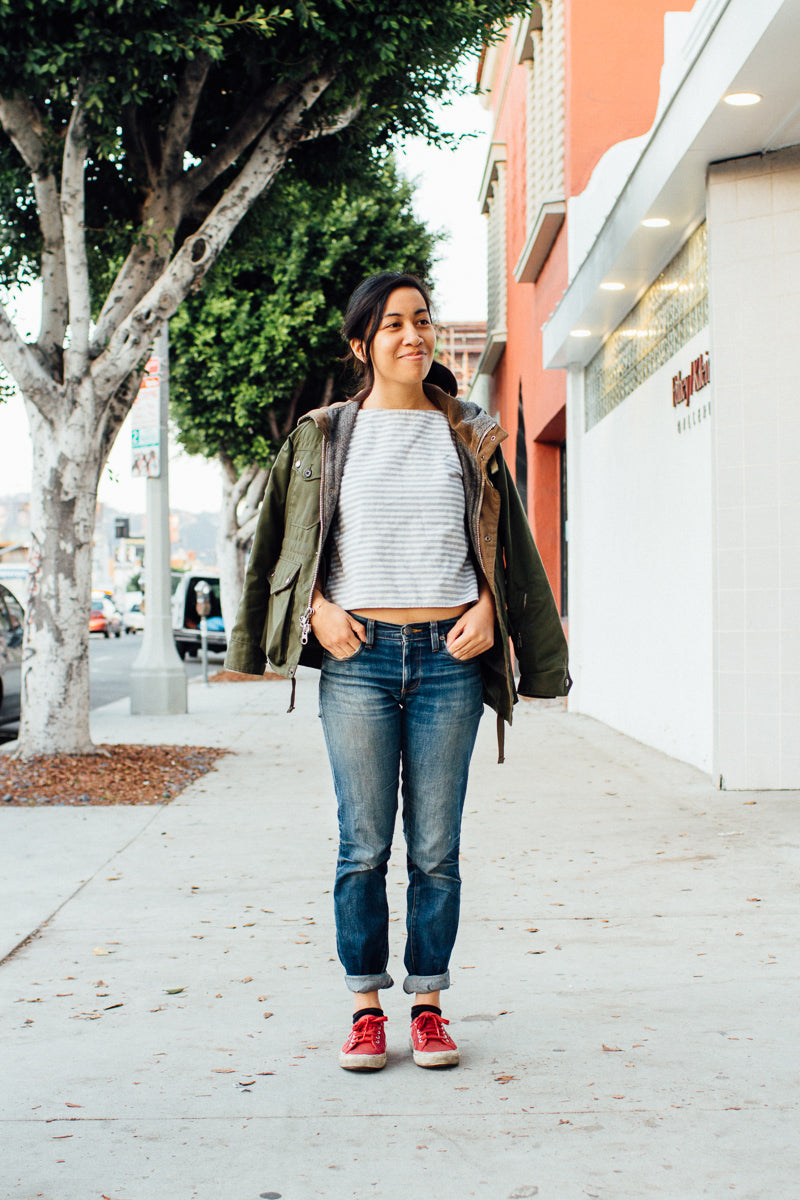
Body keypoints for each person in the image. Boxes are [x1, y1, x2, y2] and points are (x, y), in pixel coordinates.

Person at [225, 271, 570, 1072]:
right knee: (363, 845)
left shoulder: (469, 433)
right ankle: (366, 1008)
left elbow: (506, 543)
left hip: (451, 659)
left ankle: (429, 1003)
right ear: (361, 344)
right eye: (392, 325)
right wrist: (315, 610)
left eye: (421, 319)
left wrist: (489, 610)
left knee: (437, 850)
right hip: (358, 662)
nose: (412, 335)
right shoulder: (324, 434)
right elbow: (284, 540)